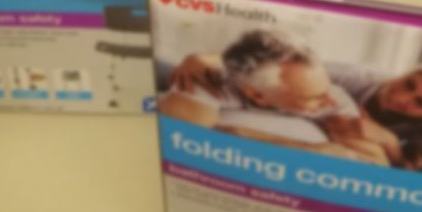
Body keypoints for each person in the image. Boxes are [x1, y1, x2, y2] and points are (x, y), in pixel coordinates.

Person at [170, 52, 422, 176]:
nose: (400, 96)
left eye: (419, 103)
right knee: (171, 70)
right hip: (256, 91)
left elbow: (398, 172)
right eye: (410, 83)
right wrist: (203, 58)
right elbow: (278, 66)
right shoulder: (355, 78)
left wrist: (390, 143)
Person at [160, 30, 388, 163]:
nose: (332, 102)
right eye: (314, 97)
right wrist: (308, 150)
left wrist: (241, 136)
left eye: (327, 89)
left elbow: (372, 164)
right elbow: (180, 144)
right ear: (258, 96)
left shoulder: (333, 98)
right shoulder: (207, 83)